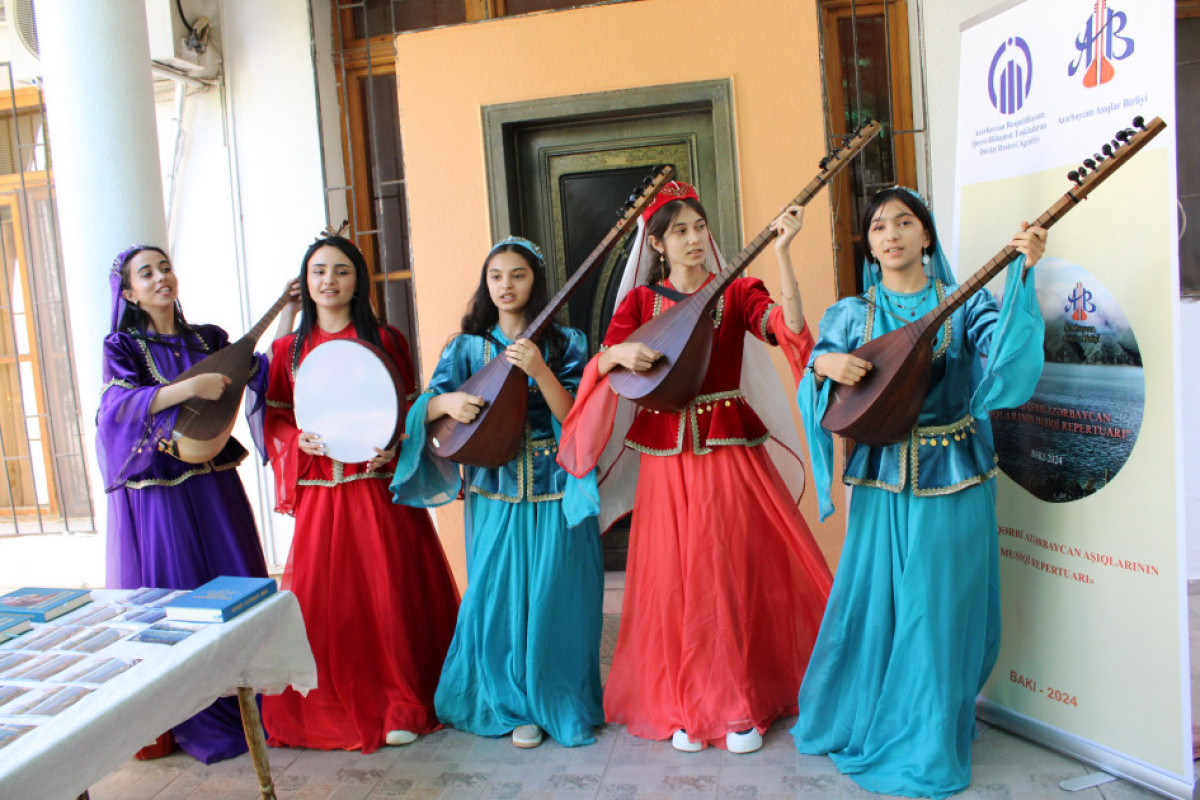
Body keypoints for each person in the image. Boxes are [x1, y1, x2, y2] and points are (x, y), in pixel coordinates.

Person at [558, 181, 833, 754]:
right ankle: (686, 701)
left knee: (730, 570)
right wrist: (617, 354)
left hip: (729, 451)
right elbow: (605, 364)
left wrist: (783, 253)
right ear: (656, 243)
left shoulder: (734, 291)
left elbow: (785, 328)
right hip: (665, 459)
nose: (692, 239)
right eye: (678, 230)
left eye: (698, 228)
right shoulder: (638, 304)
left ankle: (740, 705)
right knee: (674, 578)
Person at [790, 187, 1047, 799]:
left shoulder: (962, 305)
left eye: (905, 222)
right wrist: (825, 369)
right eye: (879, 226)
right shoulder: (853, 314)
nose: (892, 234)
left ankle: (928, 737)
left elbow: (1007, 358)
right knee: (875, 606)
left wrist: (1025, 276)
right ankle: (871, 712)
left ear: (926, 237)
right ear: (870, 244)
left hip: (954, 474)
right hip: (881, 483)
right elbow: (817, 372)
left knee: (940, 613)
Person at [391, 236, 603, 749]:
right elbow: (427, 404)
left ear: (537, 282)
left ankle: (554, 697)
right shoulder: (466, 347)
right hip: (494, 486)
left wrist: (538, 369)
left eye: (518, 275)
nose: (506, 285)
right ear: (485, 285)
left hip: (556, 485)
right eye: (496, 276)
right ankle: (508, 702)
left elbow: (578, 415)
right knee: (496, 596)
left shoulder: (566, 342)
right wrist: (449, 406)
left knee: (557, 595)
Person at [260, 233, 459, 753]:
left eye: (342, 270)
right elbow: (276, 417)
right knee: (330, 602)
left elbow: (410, 409)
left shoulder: (387, 339)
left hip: (377, 492)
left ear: (358, 280)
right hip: (324, 496)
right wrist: (292, 438)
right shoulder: (288, 350)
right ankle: (332, 707)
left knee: (388, 591)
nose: (330, 280)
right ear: (306, 281)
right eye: (319, 270)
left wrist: (395, 449)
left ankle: (402, 699)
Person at [97, 244, 295, 763]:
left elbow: (262, 374)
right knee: (179, 596)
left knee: (235, 585)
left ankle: (251, 705)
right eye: (147, 272)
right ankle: (192, 715)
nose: (161, 277)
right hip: (160, 491)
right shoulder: (122, 345)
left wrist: (289, 309)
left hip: (213, 483)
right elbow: (116, 405)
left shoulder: (208, 338)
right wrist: (190, 387)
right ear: (128, 291)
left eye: (165, 267)